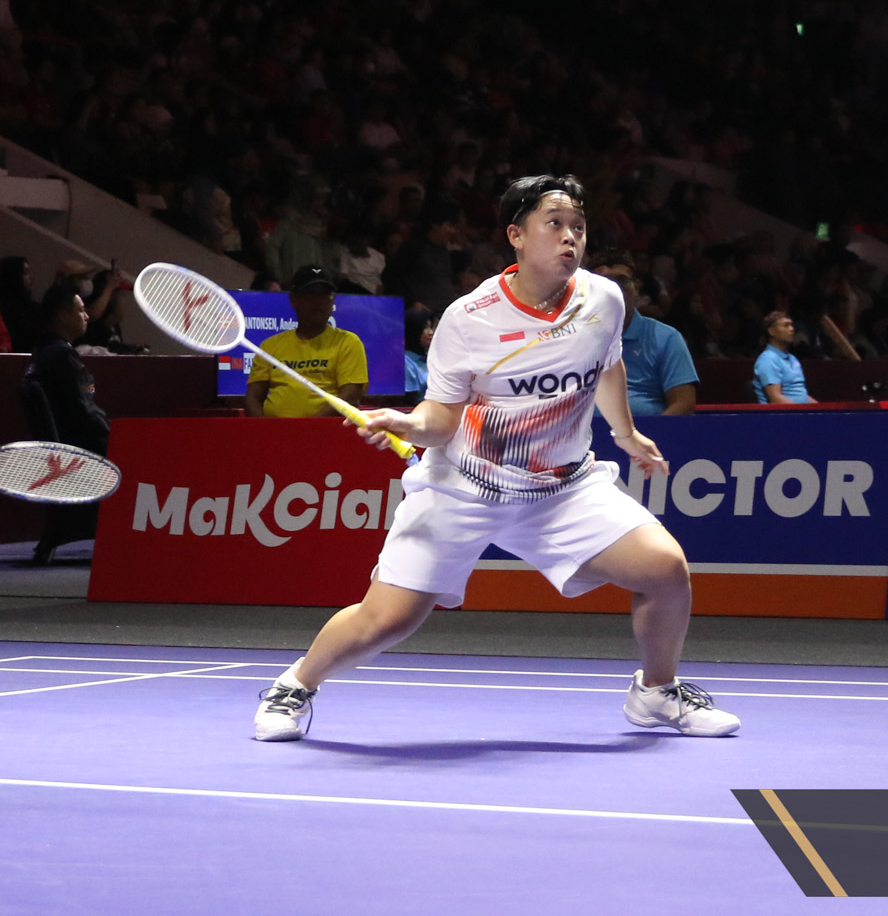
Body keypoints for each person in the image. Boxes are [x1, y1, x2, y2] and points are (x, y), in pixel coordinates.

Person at [253, 175, 740, 744]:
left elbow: (607, 364)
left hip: (562, 488)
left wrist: (626, 433)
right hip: (466, 485)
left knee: (665, 569)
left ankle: (656, 692)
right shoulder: (470, 317)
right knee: (387, 620)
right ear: (516, 235)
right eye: (554, 224)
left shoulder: (603, 298)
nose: (570, 237)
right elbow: (440, 418)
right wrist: (408, 424)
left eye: (578, 227)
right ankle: (295, 685)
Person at [24, 282, 112, 564]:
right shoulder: (61, 355)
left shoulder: (44, 350)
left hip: (71, 445)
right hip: (82, 450)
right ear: (63, 316)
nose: (86, 315)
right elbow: (83, 414)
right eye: (80, 310)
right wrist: (118, 434)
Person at [245, 265, 368, 417]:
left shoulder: (348, 342)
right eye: (311, 293)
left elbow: (350, 398)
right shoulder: (269, 346)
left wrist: (306, 428)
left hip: (326, 430)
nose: (319, 300)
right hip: (275, 431)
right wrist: (264, 429)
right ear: (293, 299)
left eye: (326, 294)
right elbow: (253, 398)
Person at [597, 252, 697, 415]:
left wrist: (653, 429)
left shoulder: (666, 338)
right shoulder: (570, 337)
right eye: (603, 283)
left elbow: (684, 403)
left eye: (622, 282)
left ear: (636, 288)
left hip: (646, 429)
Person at [752, 311, 813, 404]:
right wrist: (802, 412)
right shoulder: (768, 359)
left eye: (791, 325)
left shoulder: (793, 358)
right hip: (783, 413)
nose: (792, 329)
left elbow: (802, 395)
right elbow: (776, 399)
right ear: (771, 331)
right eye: (786, 325)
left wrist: (822, 410)